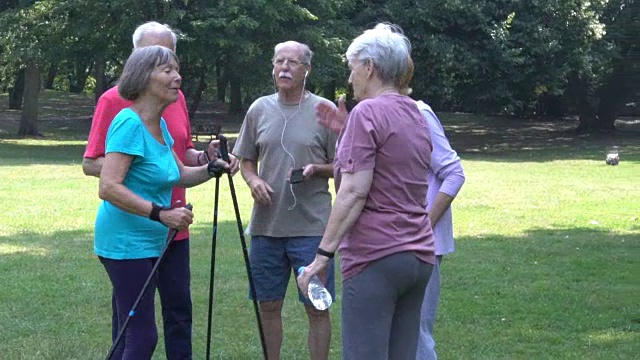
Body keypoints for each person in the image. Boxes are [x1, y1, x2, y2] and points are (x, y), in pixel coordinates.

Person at [83, 22, 237, 360]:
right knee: (141, 337)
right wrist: (160, 213)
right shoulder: (128, 122)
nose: (177, 77)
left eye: (176, 68)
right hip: (125, 243)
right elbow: (108, 187)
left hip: (154, 239)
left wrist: (210, 169)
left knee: (134, 334)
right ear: (144, 76)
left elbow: (177, 173)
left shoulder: (160, 123)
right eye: (167, 70)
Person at [298, 23, 435, 360]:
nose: (350, 79)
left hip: (377, 255)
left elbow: (354, 192)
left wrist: (322, 257)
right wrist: (347, 132)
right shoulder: (415, 113)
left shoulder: (368, 112)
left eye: (352, 68)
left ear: (370, 67)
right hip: (419, 257)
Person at [232, 41, 338, 360]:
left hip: (312, 228)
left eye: (293, 62)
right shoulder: (259, 109)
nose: (284, 68)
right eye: (279, 61)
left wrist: (318, 169)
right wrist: (253, 180)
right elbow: (246, 159)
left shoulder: (326, 111)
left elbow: (346, 165)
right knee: (268, 305)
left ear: (307, 69)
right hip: (267, 227)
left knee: (317, 306)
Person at [414, 101, 465, 360]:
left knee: (415, 334)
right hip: (394, 243)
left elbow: (454, 173)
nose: (350, 78)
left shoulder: (419, 113)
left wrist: (425, 223)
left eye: (354, 69)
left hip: (422, 245)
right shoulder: (377, 114)